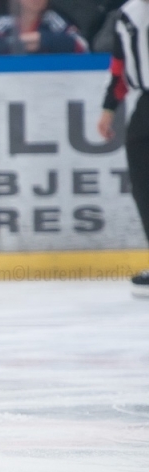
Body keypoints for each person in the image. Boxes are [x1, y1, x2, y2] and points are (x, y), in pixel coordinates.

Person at [97, 0, 149, 298]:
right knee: (144, 187)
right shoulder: (128, 14)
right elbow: (119, 66)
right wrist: (108, 109)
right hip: (143, 106)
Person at [0, 0, 89, 55]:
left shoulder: (53, 20)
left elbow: (81, 46)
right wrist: (18, 43)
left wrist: (43, 40)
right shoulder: (5, 22)